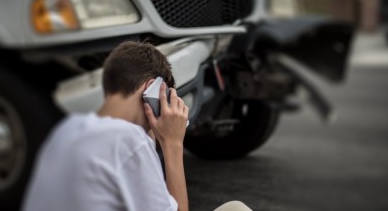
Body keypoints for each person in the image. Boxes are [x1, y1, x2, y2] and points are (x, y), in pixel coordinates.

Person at [22, 41, 252, 211]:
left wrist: (151, 134)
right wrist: (173, 143)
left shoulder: (67, 130)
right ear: (151, 90)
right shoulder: (127, 140)